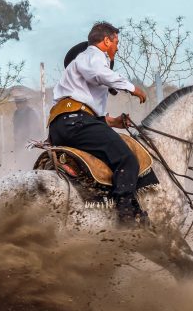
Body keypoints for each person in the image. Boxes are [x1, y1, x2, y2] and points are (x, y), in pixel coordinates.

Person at [47, 21, 148, 224]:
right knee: (127, 159)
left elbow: (86, 107)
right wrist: (131, 87)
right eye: (116, 42)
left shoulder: (83, 67)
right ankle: (126, 215)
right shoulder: (92, 54)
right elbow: (100, 74)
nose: (117, 48)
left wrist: (113, 122)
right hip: (76, 123)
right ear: (106, 40)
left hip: (66, 124)